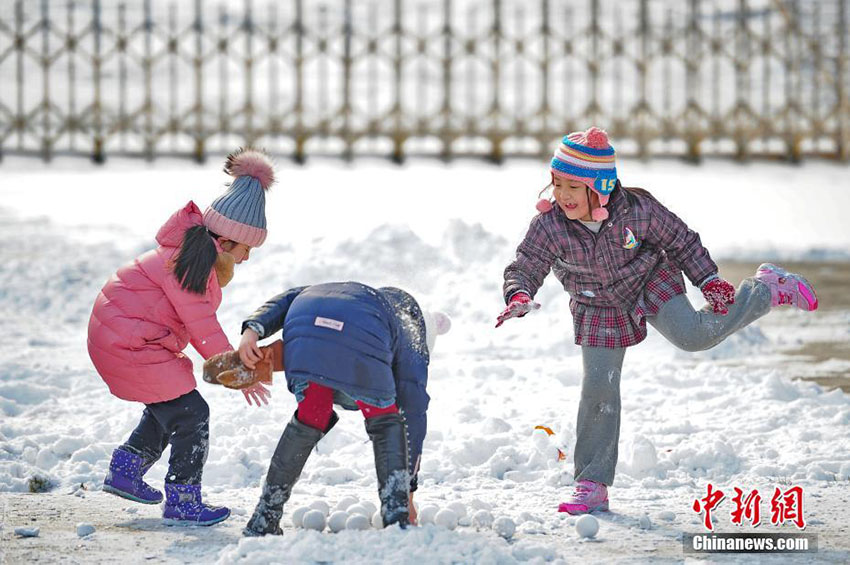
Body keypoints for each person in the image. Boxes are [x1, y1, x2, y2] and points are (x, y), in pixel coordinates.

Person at [497, 127, 818, 515]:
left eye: (572, 186)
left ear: (599, 188)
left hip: (649, 280)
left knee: (695, 335)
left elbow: (682, 241)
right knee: (599, 387)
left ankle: (766, 289)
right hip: (597, 303)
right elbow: (527, 263)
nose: (562, 195)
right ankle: (592, 481)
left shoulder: (638, 210)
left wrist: (709, 280)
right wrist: (519, 292)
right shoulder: (550, 225)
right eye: (557, 183)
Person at [87, 148, 276, 526]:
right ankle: (183, 499)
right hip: (130, 346)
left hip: (125, 340)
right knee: (192, 412)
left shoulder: (189, 254)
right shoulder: (188, 265)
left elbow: (195, 325)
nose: (246, 259)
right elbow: (202, 326)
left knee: (171, 404)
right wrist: (236, 373)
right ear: (224, 242)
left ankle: (125, 470)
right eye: (246, 249)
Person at [228, 282, 449, 535]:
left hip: (306, 319)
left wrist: (253, 331)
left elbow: (290, 297)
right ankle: (397, 521)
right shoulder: (411, 338)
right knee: (385, 419)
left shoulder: (360, 297)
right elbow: (413, 413)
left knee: (312, 415)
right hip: (361, 340)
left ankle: (263, 519)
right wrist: (408, 491)